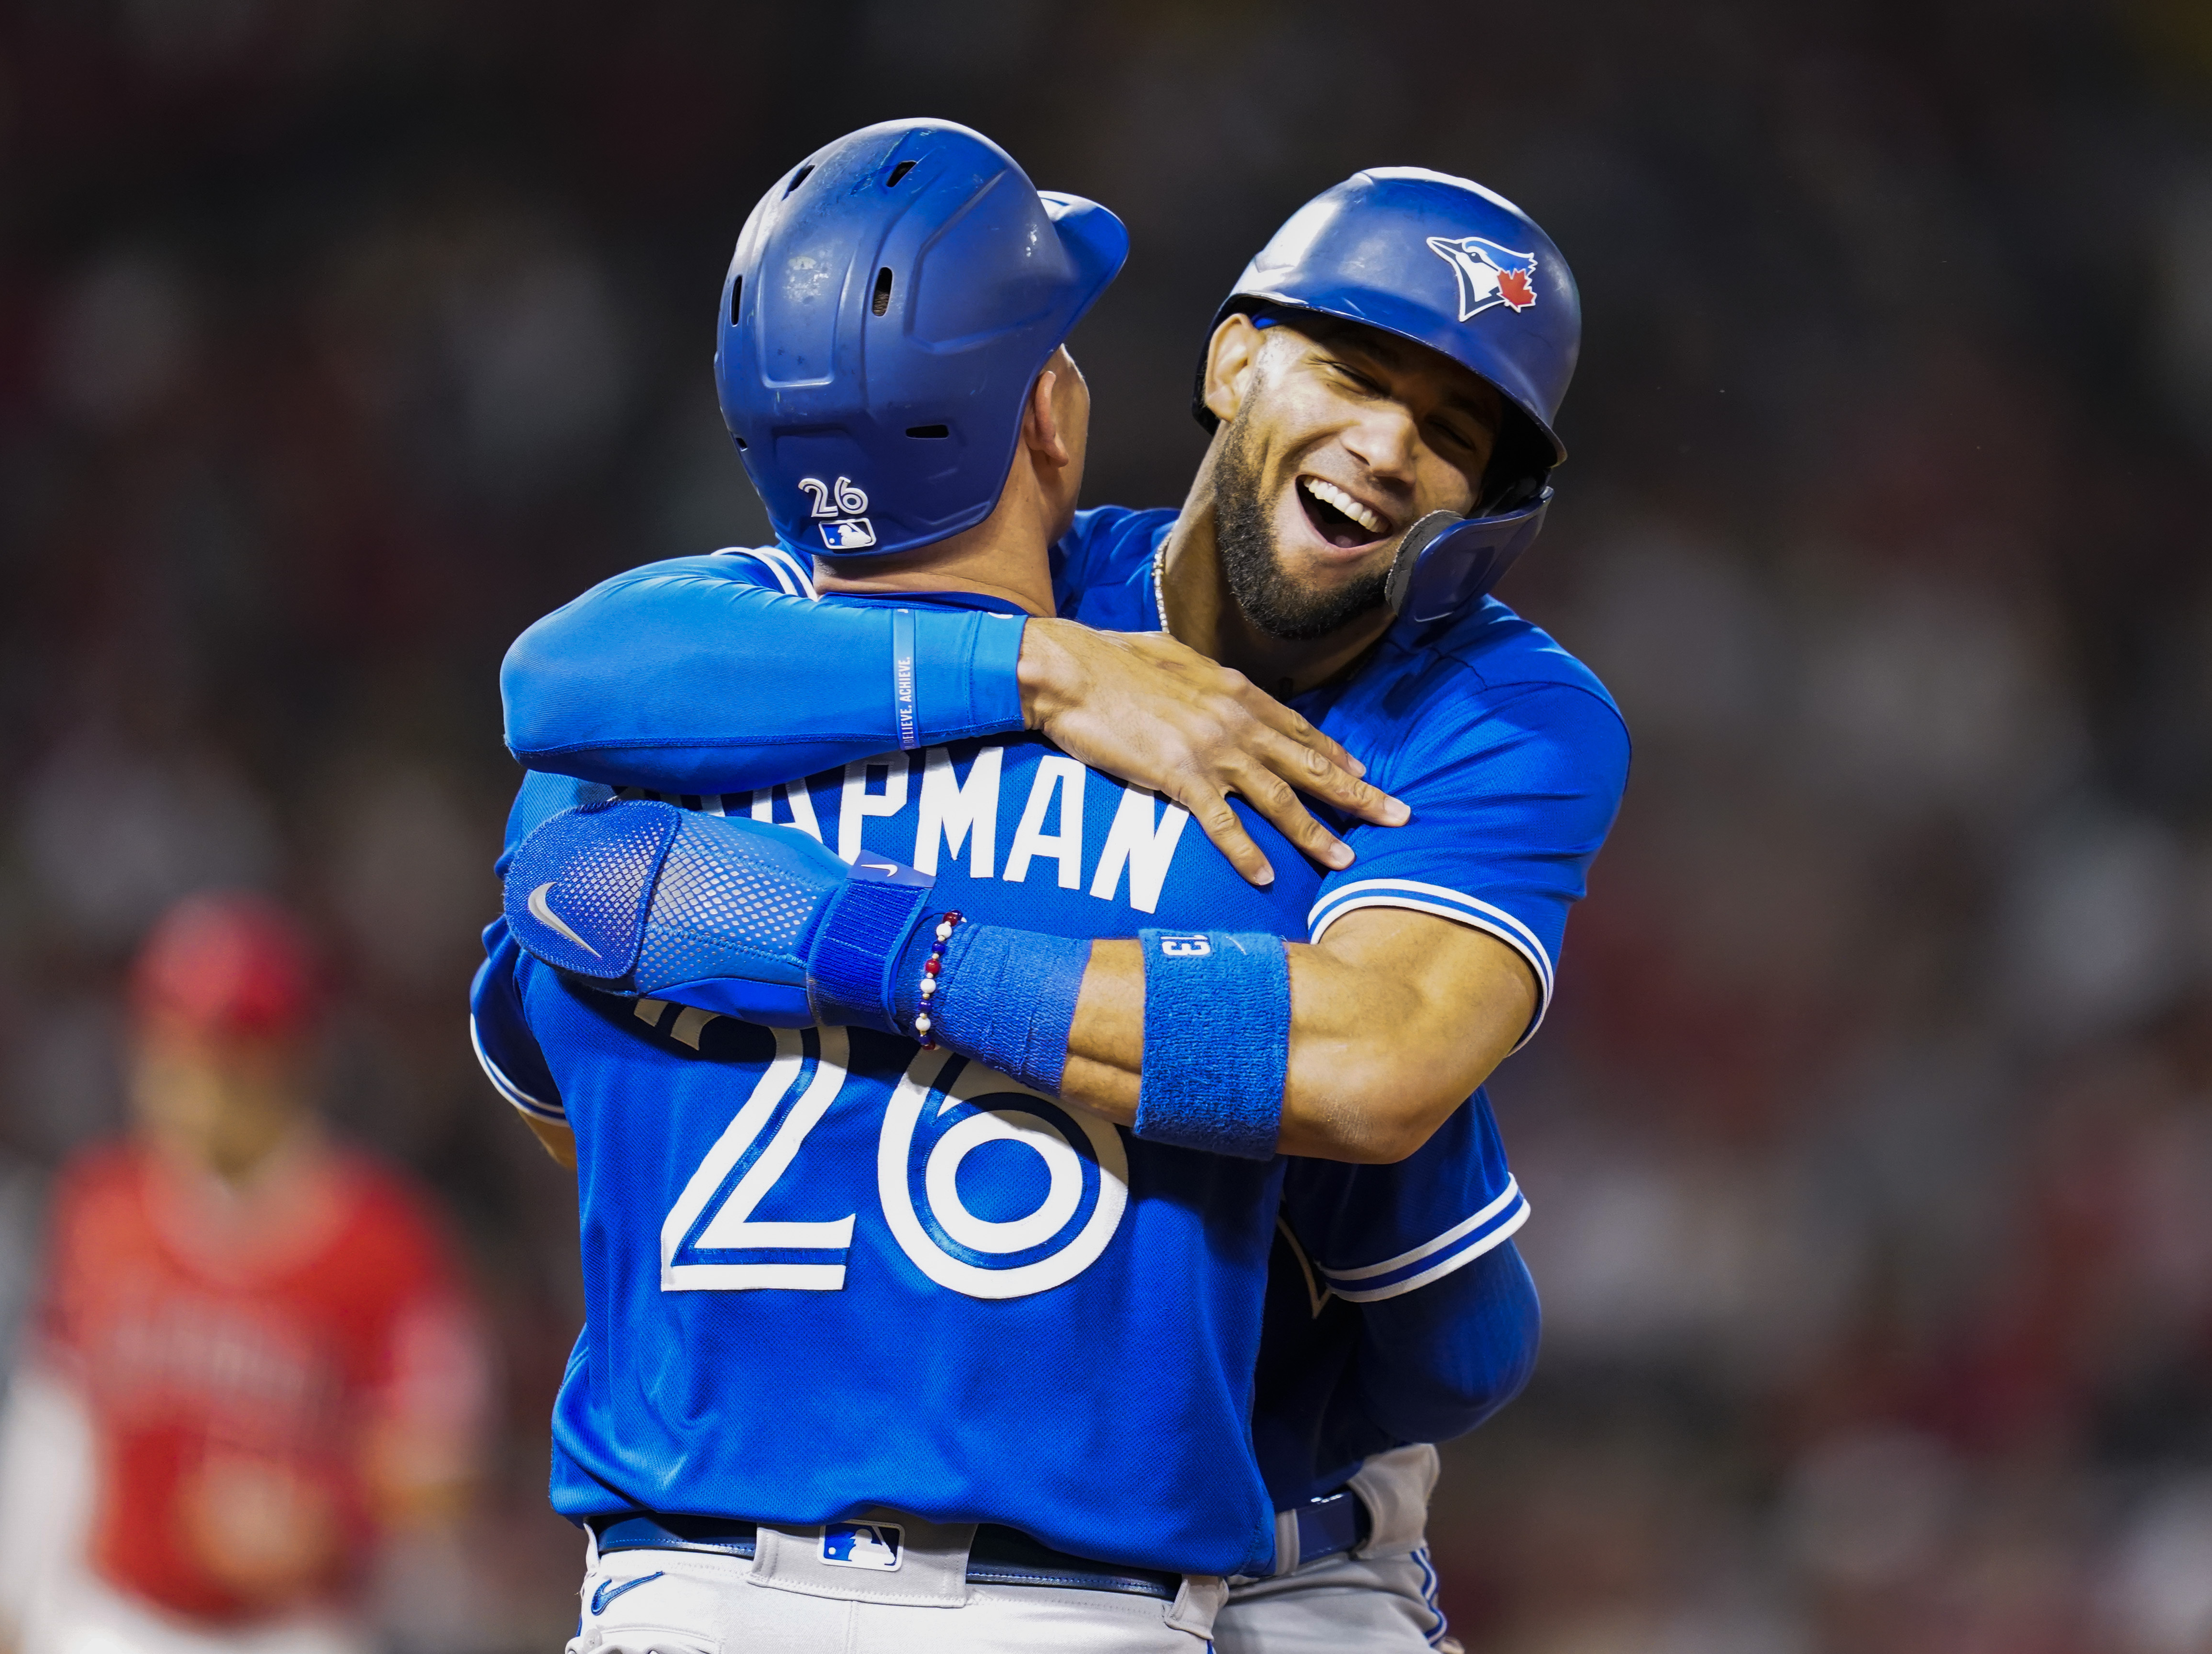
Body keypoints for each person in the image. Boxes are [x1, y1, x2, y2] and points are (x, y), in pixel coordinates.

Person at [497, 155, 1624, 1653]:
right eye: (1353, 372)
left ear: (1493, 507)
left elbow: (1373, 1069)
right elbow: (559, 672)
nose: (1386, 443)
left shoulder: (1503, 704)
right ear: (1231, 357)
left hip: (1286, 1553)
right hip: (1083, 1550)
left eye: (1454, 434)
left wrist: (853, 944)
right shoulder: (1032, 598)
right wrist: (1040, 668)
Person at [0, 893, 491, 1654]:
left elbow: (441, 1464)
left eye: (227, 1049)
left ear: (291, 1060)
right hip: (110, 1618)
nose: (190, 1075)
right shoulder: (101, 1206)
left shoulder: (384, 1240)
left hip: (294, 1631)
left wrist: (329, 1510)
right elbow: (52, 1426)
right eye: (171, 1040)